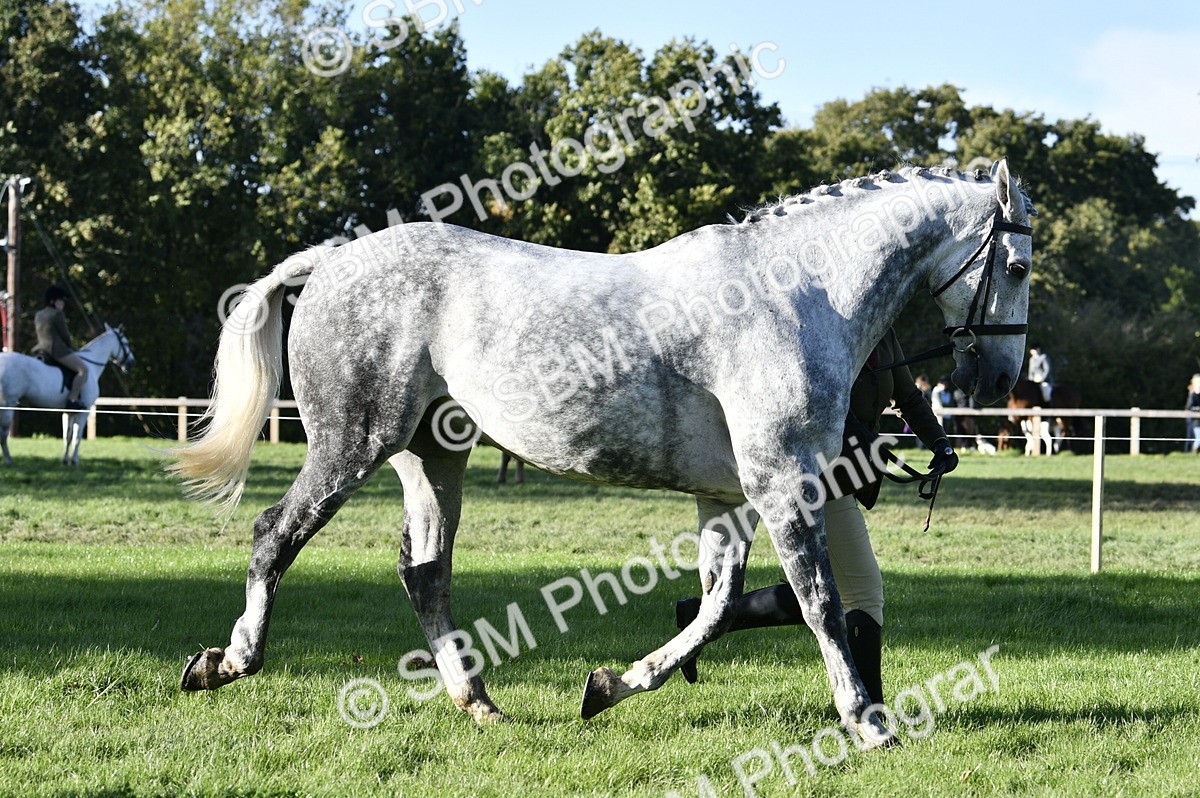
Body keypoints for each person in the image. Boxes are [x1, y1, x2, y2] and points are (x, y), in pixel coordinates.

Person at [673, 328, 958, 704]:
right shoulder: (822, 328)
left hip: (849, 474)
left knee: (824, 590)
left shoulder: (885, 332)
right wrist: (851, 426)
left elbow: (906, 395)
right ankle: (870, 710)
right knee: (863, 594)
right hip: (816, 478)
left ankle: (703, 616)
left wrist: (939, 441)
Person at [31, 285, 88, 410]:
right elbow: (65, 335)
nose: (62, 303)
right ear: (52, 301)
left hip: (40, 349)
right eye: (60, 300)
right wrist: (70, 347)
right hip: (56, 351)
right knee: (83, 370)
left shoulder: (39, 314)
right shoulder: (57, 314)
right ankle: (72, 399)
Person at [1186, 374, 1200, 454]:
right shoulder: (1193, 395)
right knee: (1196, 438)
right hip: (1195, 421)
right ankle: (1193, 453)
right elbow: (1189, 407)